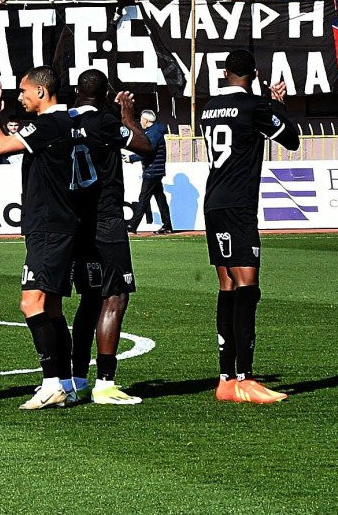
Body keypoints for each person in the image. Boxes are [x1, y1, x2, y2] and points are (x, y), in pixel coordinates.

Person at [196, 48, 301, 404]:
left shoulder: (208, 107)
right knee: (248, 287)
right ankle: (246, 377)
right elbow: (291, 139)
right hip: (239, 204)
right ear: (254, 74)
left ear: (225, 72)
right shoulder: (255, 106)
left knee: (227, 285)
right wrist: (278, 105)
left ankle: (226, 378)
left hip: (213, 202)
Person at [0, 68, 79, 410]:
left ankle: (51, 383)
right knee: (50, 306)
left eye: (23, 91)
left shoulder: (49, 124)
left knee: (31, 304)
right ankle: (65, 383)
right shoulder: (64, 124)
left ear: (41, 92)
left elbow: (0, 145)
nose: (19, 98)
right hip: (59, 224)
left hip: (49, 226)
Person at [68, 71, 152, 404]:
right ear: (106, 95)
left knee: (89, 298)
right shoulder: (106, 121)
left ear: (77, 91)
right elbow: (144, 146)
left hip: (76, 221)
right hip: (106, 219)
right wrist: (128, 116)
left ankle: (75, 378)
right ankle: (105, 381)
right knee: (114, 296)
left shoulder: (64, 121)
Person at [127, 104, 173, 234]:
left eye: (141, 119)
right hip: (155, 170)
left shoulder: (153, 133)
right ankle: (167, 225)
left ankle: (133, 226)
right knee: (160, 199)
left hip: (152, 171)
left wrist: (132, 158)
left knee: (143, 199)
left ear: (146, 121)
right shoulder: (155, 131)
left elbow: (148, 151)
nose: (140, 121)